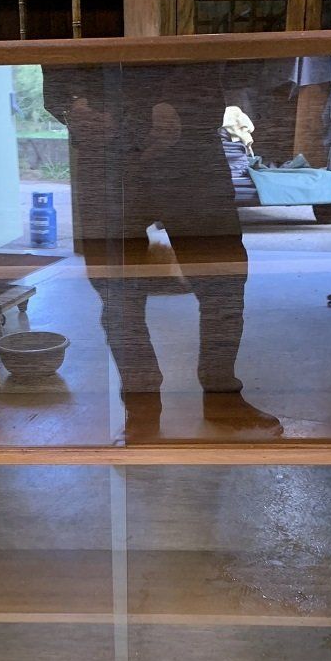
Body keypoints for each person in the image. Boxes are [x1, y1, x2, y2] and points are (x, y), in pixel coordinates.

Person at [42, 62, 282, 439]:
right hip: (108, 154)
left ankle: (220, 398)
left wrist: (163, 110)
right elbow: (54, 73)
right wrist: (70, 107)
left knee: (222, 283)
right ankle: (141, 410)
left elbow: (217, 68)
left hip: (188, 149)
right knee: (118, 292)